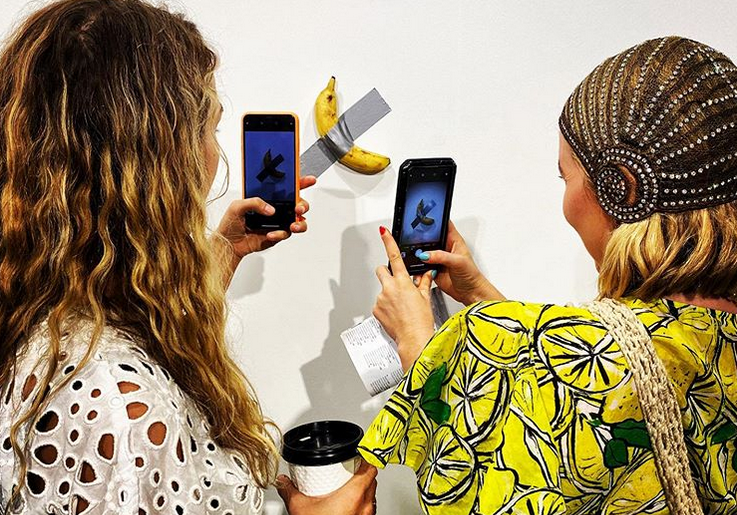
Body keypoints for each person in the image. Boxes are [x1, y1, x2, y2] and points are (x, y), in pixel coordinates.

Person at [0, 1, 377, 514]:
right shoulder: (121, 410)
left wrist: (226, 251)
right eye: (209, 129)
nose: (214, 155)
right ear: (161, 161)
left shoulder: (44, 319)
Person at [360, 36, 737, 514]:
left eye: (566, 176)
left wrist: (419, 343)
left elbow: (491, 486)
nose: (565, 201)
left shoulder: (570, 356)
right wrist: (484, 298)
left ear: (621, 188)